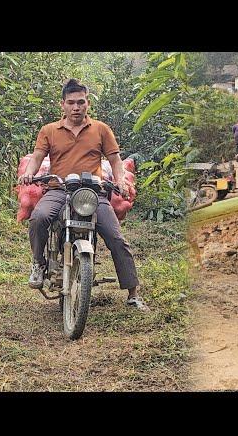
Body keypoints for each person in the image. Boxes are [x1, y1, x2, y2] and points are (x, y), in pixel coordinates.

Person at [17, 78, 149, 311]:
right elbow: (37, 157)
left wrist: (119, 180)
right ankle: (38, 263)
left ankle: (133, 294)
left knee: (116, 238)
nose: (76, 107)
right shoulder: (49, 130)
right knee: (39, 218)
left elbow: (115, 161)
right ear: (63, 105)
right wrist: (29, 173)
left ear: (88, 103)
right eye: (71, 103)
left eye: (81, 102)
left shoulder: (101, 129)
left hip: (93, 193)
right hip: (59, 190)